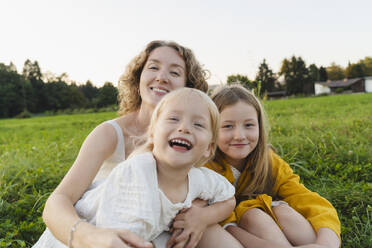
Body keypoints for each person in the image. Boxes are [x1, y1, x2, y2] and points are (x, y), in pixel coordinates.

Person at [41, 40, 242, 248]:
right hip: (104, 229)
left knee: (206, 230)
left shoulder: (192, 139)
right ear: (138, 78)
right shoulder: (110, 134)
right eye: (153, 67)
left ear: (188, 88)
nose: (161, 77)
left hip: (167, 225)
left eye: (174, 73)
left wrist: (203, 216)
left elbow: (206, 188)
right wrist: (87, 236)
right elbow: (58, 201)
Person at [203, 84, 341, 248]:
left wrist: (325, 244)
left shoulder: (269, 162)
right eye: (227, 126)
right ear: (211, 129)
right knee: (254, 215)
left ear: (260, 127)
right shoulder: (205, 168)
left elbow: (310, 201)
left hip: (270, 225)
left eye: (249, 125)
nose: (239, 136)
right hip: (235, 234)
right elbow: (223, 225)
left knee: (284, 211)